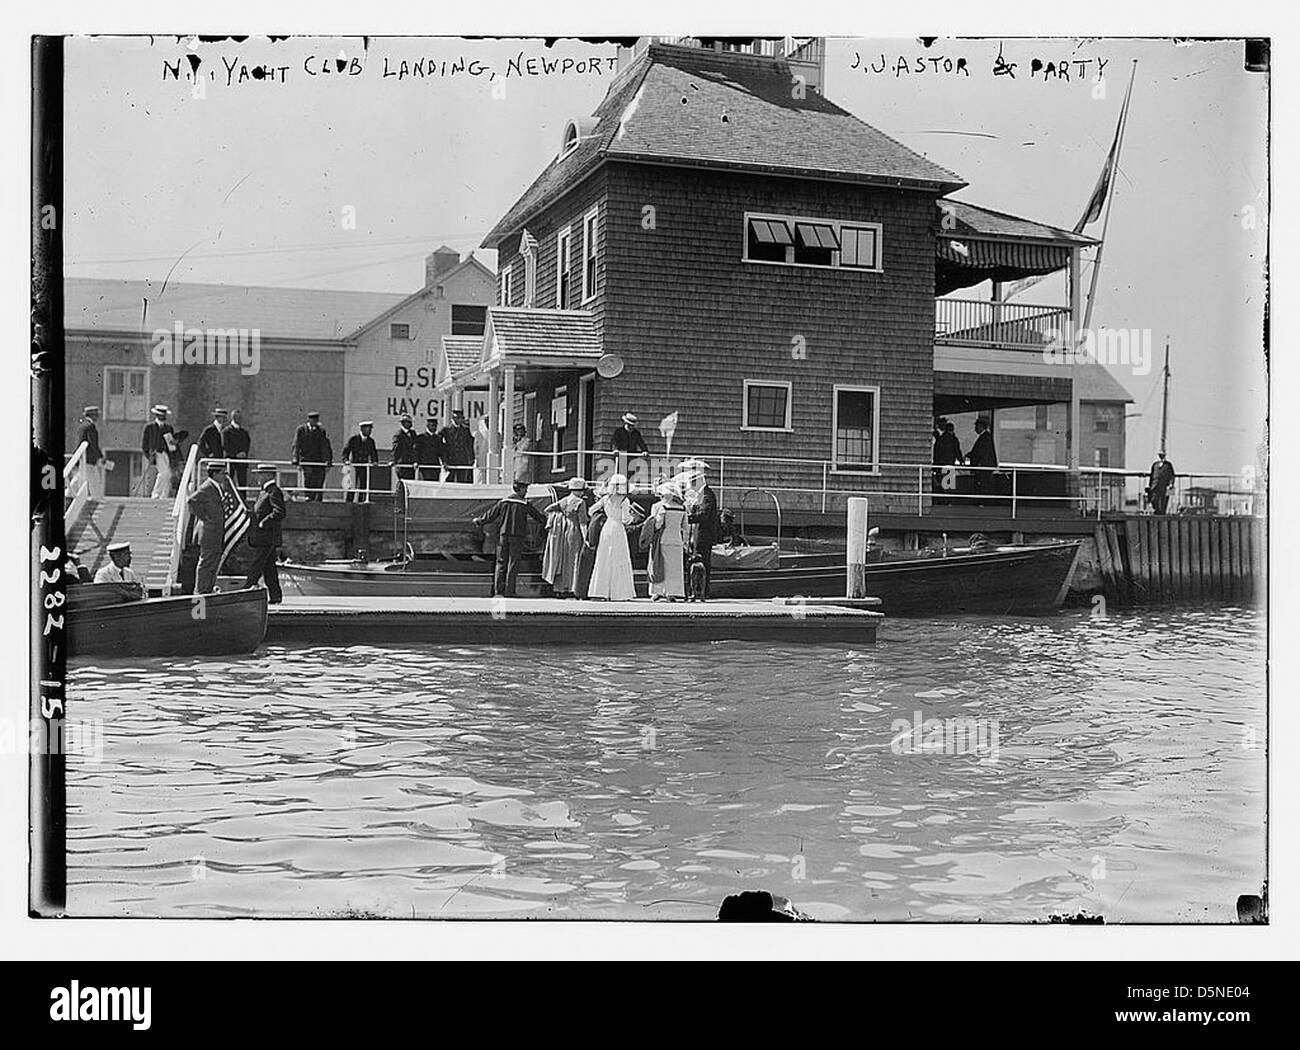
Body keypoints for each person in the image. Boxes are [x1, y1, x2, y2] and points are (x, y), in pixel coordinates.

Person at [473, 480, 546, 598]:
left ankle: (498, 591)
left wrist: (479, 521)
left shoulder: (504, 501)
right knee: (513, 563)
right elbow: (538, 517)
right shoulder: (524, 503)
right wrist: (548, 520)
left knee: (501, 563)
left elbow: (490, 515)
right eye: (525, 489)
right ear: (520, 489)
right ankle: (510, 591)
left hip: (503, 536)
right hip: (517, 537)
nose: (526, 491)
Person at [588, 473, 643, 601]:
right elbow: (625, 519)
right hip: (618, 529)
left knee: (604, 558)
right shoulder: (625, 500)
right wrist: (632, 518)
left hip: (607, 529)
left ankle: (600, 591)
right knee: (619, 558)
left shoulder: (605, 499)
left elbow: (591, 510)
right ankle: (619, 593)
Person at [242, 469, 286, 603]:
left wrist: (264, 523)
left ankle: (246, 592)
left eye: (260, 474)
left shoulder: (273, 492)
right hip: (263, 537)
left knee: (257, 565)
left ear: (268, 475)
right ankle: (275, 595)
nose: (257, 477)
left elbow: (279, 512)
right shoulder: (264, 492)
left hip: (267, 537)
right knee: (269, 569)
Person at [541, 477, 590, 597]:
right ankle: (572, 588)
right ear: (578, 491)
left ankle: (561, 588)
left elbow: (547, 509)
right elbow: (582, 523)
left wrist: (558, 518)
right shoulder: (580, 502)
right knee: (574, 559)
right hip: (575, 531)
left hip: (564, 531)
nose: (583, 493)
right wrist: (586, 539)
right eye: (582, 490)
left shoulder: (564, 501)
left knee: (563, 559)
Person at [187, 462, 230, 594]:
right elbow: (192, 500)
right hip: (209, 532)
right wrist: (205, 517)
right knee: (206, 562)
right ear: (215, 473)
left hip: (216, 532)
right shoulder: (207, 486)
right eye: (223, 473)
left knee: (213, 561)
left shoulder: (216, 487)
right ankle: (201, 591)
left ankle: (208, 589)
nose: (225, 476)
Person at [682, 458, 722, 599]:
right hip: (698, 534)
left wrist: (688, 517)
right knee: (696, 564)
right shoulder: (700, 495)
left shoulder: (707, 495)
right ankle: (695, 591)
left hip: (704, 536)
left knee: (703, 564)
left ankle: (702, 592)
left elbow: (704, 514)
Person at [645, 480, 687, 601]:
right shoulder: (682, 508)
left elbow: (658, 525)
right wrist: (685, 541)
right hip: (677, 541)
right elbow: (685, 527)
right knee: (675, 568)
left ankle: (658, 591)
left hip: (663, 539)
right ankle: (672, 592)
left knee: (660, 566)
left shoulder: (662, 507)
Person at [292, 411, 332, 501]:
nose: (314, 422)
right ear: (308, 420)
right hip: (306, 459)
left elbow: (325, 446)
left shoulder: (321, 431)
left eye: (316, 420)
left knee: (319, 480)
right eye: (313, 420)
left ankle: (318, 499)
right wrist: (296, 459)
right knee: (309, 478)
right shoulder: (301, 430)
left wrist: (328, 461)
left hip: (318, 460)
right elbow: (296, 444)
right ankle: (309, 496)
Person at [141, 404, 176, 499]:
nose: (163, 417)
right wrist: (149, 456)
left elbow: (171, 445)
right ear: (156, 415)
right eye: (160, 415)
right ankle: (155, 493)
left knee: (168, 474)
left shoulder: (169, 428)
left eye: (164, 415)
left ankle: (164, 496)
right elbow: (144, 445)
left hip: (166, 454)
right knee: (164, 473)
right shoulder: (149, 427)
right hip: (156, 454)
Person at [342, 421, 379, 503]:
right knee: (351, 485)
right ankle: (349, 502)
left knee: (363, 485)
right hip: (354, 466)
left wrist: (375, 461)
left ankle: (361, 502)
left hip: (364, 466)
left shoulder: (370, 441)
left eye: (370, 429)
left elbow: (373, 453)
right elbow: (346, 451)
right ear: (362, 429)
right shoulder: (354, 439)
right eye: (368, 429)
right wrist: (346, 460)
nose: (369, 431)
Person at [76, 405, 105, 498]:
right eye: (96, 415)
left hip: (82, 458)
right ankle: (98, 498)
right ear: (92, 415)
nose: (97, 417)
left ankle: (68, 493)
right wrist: (100, 457)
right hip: (89, 459)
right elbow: (93, 444)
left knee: (80, 478)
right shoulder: (91, 427)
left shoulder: (82, 426)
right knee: (94, 480)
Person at [439, 409, 475, 483]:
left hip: (463, 460)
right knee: (450, 480)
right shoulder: (446, 430)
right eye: (458, 418)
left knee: (462, 480)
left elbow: (469, 445)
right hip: (451, 460)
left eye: (461, 418)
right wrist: (444, 460)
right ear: (453, 418)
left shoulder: (465, 430)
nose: (460, 420)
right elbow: (441, 446)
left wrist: (471, 458)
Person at [967, 417, 998, 497]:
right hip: (984, 466)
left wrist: (979, 463)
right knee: (983, 484)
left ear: (981, 427)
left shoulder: (985, 438)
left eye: (976, 427)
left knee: (983, 484)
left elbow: (982, 452)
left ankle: (982, 501)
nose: (975, 429)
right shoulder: (985, 437)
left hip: (984, 466)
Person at [223, 409, 251, 492]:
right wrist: (235, 454)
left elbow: (247, 444)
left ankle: (243, 499)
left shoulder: (244, 432)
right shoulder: (226, 431)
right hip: (230, 461)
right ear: (233, 418)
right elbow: (225, 445)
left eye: (240, 417)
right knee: (229, 481)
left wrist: (244, 453)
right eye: (238, 417)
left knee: (242, 482)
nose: (240, 419)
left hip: (242, 462)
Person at [391, 414, 420, 489]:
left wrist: (415, 460)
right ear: (403, 423)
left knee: (410, 484)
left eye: (410, 422)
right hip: (402, 464)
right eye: (408, 422)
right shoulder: (398, 435)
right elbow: (395, 449)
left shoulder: (413, 434)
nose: (410, 424)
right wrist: (394, 461)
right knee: (403, 484)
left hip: (411, 465)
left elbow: (415, 448)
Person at [415, 418, 443, 482]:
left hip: (435, 467)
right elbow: (416, 451)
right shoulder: (421, 438)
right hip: (425, 466)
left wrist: (444, 461)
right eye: (432, 425)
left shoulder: (438, 438)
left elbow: (441, 452)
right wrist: (416, 461)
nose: (434, 427)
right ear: (428, 426)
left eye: (435, 426)